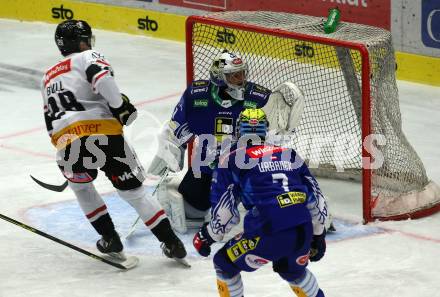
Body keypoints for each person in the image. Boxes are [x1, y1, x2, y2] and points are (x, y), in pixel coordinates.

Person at [41, 19, 186, 261]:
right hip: (105, 134)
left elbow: (49, 118)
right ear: (80, 41)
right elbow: (102, 78)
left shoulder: (47, 77)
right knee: (135, 193)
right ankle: (171, 243)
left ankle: (109, 239)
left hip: (66, 142)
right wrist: (119, 107)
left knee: (82, 188)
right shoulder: (86, 56)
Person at [192, 108, 328, 297]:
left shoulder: (231, 159)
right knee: (292, 271)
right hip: (302, 226)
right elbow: (317, 198)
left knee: (224, 263)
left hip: (269, 229)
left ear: (239, 131)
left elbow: (225, 214)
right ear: (265, 131)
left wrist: (207, 236)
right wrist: (318, 235)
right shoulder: (289, 154)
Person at [147, 50, 273, 230]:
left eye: (242, 73)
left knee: (268, 209)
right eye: (235, 75)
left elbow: (274, 134)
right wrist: (171, 151)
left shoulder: (258, 97)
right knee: (193, 211)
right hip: (207, 165)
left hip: (244, 167)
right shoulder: (197, 95)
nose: (241, 79)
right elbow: (176, 128)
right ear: (220, 78)